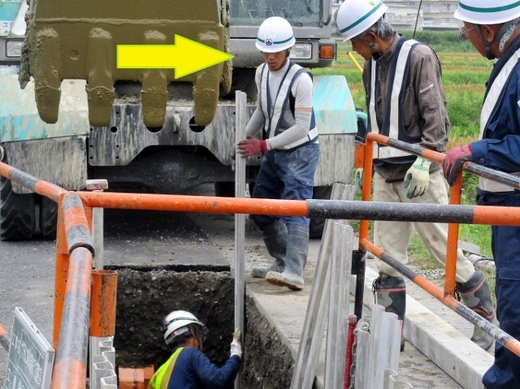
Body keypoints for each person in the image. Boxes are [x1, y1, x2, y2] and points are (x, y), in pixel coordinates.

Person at [336, 0, 497, 351]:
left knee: (443, 247)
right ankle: (390, 331)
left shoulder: (419, 57)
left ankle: (484, 313)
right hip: (384, 171)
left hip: (417, 173)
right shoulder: (371, 65)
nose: (354, 49)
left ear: (370, 35)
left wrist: (426, 161)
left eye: (355, 42)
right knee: (387, 255)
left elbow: (436, 115)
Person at [442, 1, 520, 387]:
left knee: (516, 308)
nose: (467, 39)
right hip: (503, 205)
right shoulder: (509, 61)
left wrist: (477, 150)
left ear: (487, 31)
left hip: (516, 209)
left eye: (466, 32)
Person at [237, 16, 320, 291]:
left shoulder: (301, 80)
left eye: (275, 52)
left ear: (288, 49)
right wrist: (245, 135)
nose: (270, 57)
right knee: (260, 207)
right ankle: (282, 262)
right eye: (266, 51)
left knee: (296, 209)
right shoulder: (261, 73)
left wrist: (262, 145)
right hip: (275, 150)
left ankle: (295, 272)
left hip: (301, 151)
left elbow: (301, 127)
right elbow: (264, 110)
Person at [148, 310, 241, 389]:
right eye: (199, 334)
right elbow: (219, 380)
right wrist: (235, 355)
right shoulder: (190, 354)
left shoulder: (160, 372)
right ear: (192, 332)